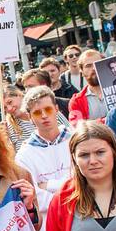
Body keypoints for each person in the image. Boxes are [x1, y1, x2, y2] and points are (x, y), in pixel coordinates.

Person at [16, 87, 73, 217]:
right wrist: (67, 199)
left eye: (48, 109)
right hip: (49, 222)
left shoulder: (77, 140)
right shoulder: (23, 155)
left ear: (56, 109)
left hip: (83, 214)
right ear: (29, 117)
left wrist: (48, 185)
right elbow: (34, 195)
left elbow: (84, 180)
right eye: (37, 113)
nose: (44, 116)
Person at [68, 49, 108, 121]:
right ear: (82, 71)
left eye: (97, 63)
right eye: (88, 66)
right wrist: (107, 120)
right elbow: (79, 127)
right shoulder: (76, 102)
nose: (93, 68)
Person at [0, 84, 36, 148]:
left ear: (19, 95)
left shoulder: (43, 109)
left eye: (10, 102)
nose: (9, 108)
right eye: (5, 108)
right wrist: (5, 140)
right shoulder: (8, 127)